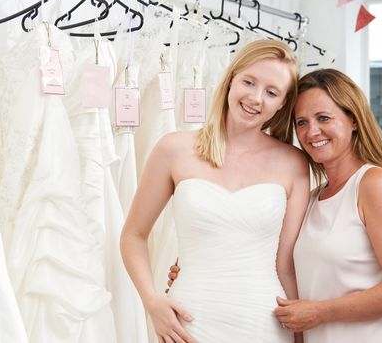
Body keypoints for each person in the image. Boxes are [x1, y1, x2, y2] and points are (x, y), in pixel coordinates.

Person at [168, 68, 382, 343]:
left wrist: (319, 313)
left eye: (323, 118)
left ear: (353, 120)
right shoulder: (313, 198)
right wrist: (199, 267)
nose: (312, 131)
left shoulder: (374, 184)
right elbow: (276, 263)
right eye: (301, 122)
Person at [120, 39, 310, 343]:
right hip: (189, 320)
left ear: (282, 104)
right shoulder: (174, 148)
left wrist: (300, 338)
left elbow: (285, 265)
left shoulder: (294, 164)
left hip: (263, 322)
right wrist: (152, 301)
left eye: (271, 92)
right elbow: (133, 235)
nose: (256, 98)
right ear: (231, 78)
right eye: (249, 82)